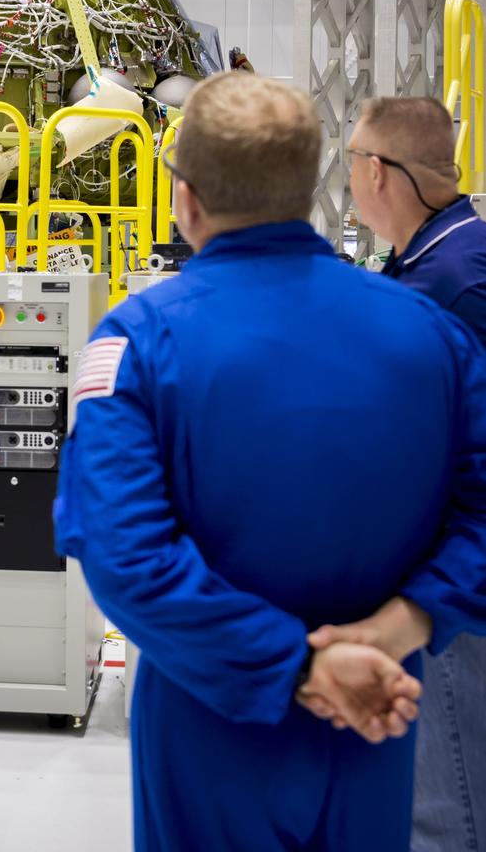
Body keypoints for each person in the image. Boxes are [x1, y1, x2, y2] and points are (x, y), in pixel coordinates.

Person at [54, 73, 486, 852]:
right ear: (308, 184)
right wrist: (396, 629)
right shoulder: (432, 337)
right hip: (377, 715)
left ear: (185, 199)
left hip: (209, 719)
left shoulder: (138, 342)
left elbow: (125, 556)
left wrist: (294, 667)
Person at [314, 95, 486, 852]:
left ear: (377, 172)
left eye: (352, 159)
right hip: (443, 564)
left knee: (445, 799)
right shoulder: (435, 255)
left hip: (447, 573)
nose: (350, 173)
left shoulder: (452, 285)